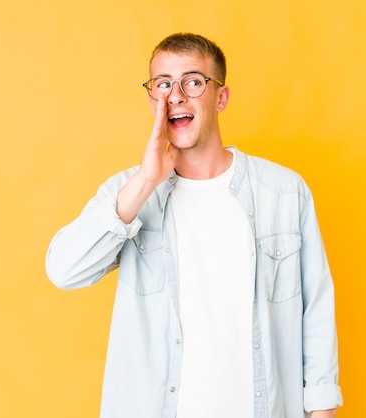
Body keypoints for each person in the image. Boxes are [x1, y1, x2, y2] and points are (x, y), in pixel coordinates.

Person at [45, 32, 342, 418]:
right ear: (152, 99)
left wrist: (321, 412)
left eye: (193, 81)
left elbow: (315, 312)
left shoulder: (284, 192)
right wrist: (145, 182)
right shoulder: (129, 192)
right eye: (162, 84)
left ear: (220, 97)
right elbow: (64, 270)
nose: (175, 95)